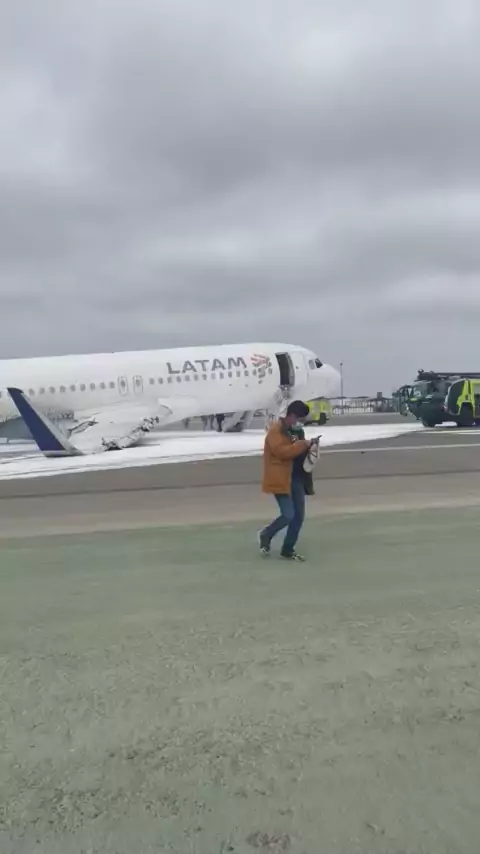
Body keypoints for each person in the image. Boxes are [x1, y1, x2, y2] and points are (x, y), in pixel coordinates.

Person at [258, 400, 317, 561]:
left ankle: (288, 549)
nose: (300, 423)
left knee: (299, 516)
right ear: (291, 415)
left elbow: (299, 452)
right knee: (288, 514)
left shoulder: (297, 432)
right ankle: (266, 534)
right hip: (280, 479)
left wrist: (311, 448)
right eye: (299, 419)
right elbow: (282, 452)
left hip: (297, 477)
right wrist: (302, 444)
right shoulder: (275, 431)